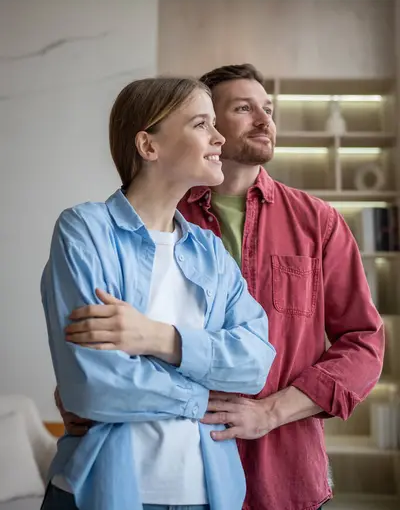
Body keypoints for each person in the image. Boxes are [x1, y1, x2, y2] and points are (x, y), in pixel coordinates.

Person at [56, 64, 385, 510]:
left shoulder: (318, 223)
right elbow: (97, 364)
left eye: (268, 109)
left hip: (284, 473)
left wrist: (271, 411)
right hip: (158, 468)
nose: (265, 121)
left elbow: (362, 342)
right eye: (244, 109)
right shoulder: (147, 219)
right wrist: (83, 387)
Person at [40, 76, 276, 510]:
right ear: (149, 146)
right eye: (202, 124)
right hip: (101, 491)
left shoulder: (209, 250)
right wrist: (201, 395)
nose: (220, 137)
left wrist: (158, 339)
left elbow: (256, 362)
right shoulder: (86, 231)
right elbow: (95, 388)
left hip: (209, 495)